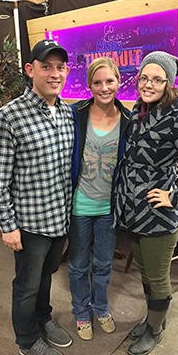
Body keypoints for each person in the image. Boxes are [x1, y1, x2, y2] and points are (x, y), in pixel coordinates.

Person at [112, 51, 178, 355]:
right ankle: (151, 319)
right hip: (133, 210)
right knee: (145, 274)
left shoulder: (177, 117)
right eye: (144, 77)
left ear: (168, 83)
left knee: (158, 278)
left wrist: (176, 197)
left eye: (157, 79)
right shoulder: (140, 110)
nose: (148, 84)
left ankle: (155, 330)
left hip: (158, 215)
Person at [0, 39, 74, 355]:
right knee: (26, 285)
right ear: (30, 70)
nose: (54, 73)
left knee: (47, 277)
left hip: (59, 219)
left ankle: (43, 318)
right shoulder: (10, 117)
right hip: (29, 223)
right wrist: (7, 226)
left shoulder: (67, 112)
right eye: (46, 66)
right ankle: (27, 339)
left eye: (60, 67)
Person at [69, 57, 130, 340]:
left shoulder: (129, 120)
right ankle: (81, 313)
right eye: (97, 82)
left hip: (109, 206)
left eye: (109, 81)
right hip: (80, 203)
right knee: (79, 264)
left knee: (104, 264)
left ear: (118, 81)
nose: (104, 88)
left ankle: (101, 308)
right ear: (89, 85)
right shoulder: (76, 113)